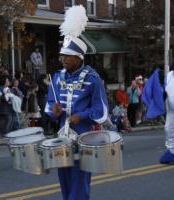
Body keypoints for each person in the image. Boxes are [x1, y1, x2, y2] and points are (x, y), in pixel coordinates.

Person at [45, 5, 108, 200]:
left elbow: (102, 111)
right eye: (62, 55)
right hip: (62, 137)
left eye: (67, 56)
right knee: (64, 180)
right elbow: (48, 103)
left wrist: (80, 116)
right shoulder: (57, 77)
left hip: (84, 137)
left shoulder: (93, 78)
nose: (62, 58)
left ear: (79, 57)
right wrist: (53, 111)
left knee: (80, 183)